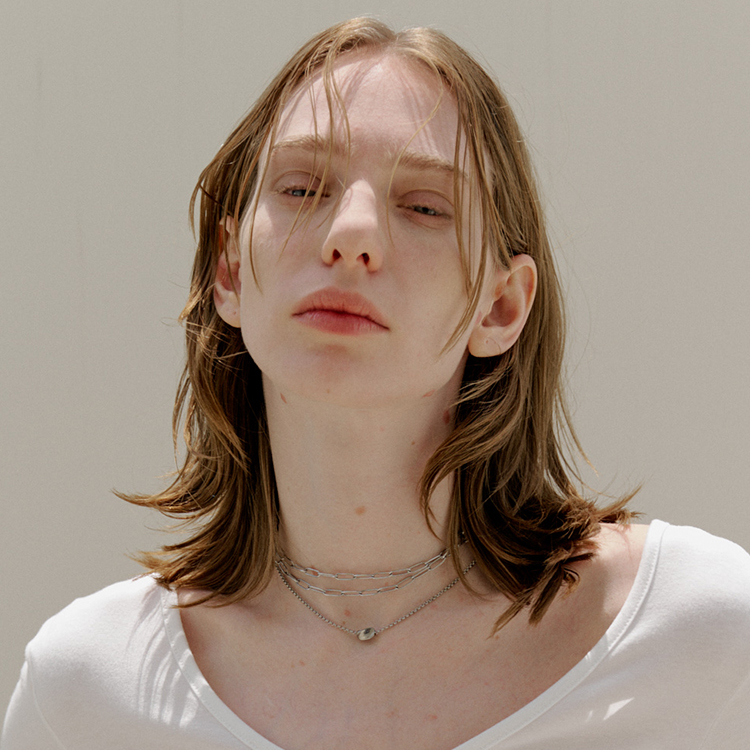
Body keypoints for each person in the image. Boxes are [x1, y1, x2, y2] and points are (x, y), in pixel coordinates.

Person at [3, 17, 749, 750]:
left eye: (424, 206)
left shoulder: (704, 636)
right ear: (229, 270)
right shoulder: (86, 693)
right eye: (302, 188)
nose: (352, 234)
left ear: (501, 306)